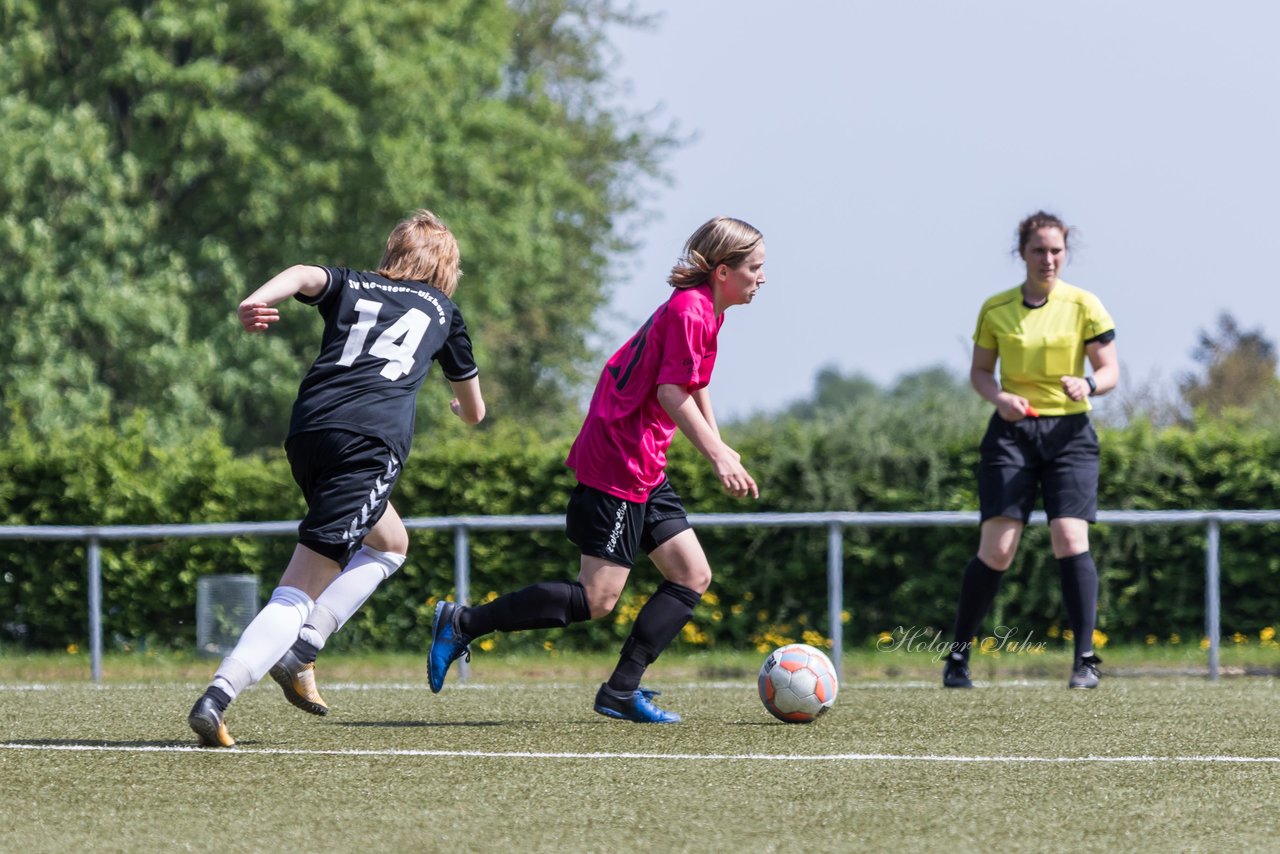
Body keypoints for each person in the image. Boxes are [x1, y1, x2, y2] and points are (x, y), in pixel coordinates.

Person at [426, 215, 764, 723]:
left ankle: (622, 691)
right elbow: (672, 392)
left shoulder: (706, 311)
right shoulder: (692, 311)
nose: (762, 278)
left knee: (692, 575)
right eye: (755, 268)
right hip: (620, 461)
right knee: (598, 598)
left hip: (642, 460)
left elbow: (692, 383)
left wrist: (719, 444)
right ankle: (464, 622)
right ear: (721, 270)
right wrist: (716, 455)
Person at [187, 209, 485, 747]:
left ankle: (303, 649)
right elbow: (475, 409)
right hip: (369, 446)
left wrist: (255, 301)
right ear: (446, 267)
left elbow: (303, 272)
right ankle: (220, 693)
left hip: (309, 433)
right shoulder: (445, 311)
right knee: (297, 590)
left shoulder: (355, 282)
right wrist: (459, 411)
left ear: (394, 251)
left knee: (391, 543)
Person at [943, 210, 1119, 691]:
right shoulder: (996, 308)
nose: (1049, 258)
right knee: (998, 548)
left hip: (1070, 437)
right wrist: (1000, 398)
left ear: (1066, 253)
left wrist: (1087, 383)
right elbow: (980, 372)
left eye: (1056, 250)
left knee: (1068, 536)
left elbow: (1109, 371)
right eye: (1039, 249)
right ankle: (957, 657)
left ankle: (1085, 660)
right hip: (1011, 435)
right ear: (1022, 253)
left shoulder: (1085, 305)